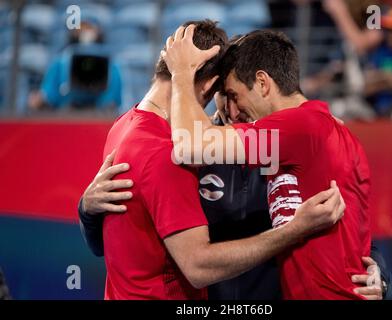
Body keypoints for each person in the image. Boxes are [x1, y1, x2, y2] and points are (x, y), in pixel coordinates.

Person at [86, 20, 345, 300]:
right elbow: (196, 265)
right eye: (226, 96)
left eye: (238, 96)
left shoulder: (124, 126)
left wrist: (377, 273)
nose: (234, 111)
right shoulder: (175, 151)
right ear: (211, 87)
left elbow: (341, 214)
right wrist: (87, 211)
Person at [162, 26, 373, 299]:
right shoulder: (326, 131)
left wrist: (180, 73)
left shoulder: (301, 128)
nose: (233, 109)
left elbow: (189, 145)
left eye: (235, 95)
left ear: (262, 83)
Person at [28, 19, 122, 111]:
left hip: (98, 115)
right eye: (81, 27)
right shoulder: (60, 63)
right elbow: (48, 96)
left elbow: (113, 101)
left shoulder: (111, 66)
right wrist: (40, 100)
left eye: (89, 27)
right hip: (66, 114)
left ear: (97, 31)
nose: (84, 32)